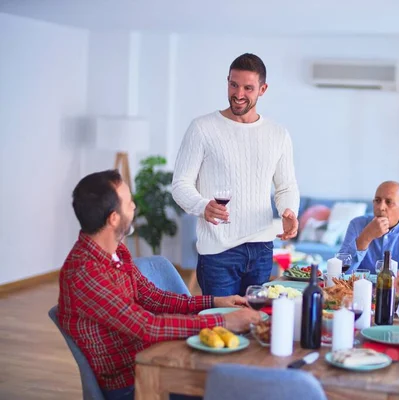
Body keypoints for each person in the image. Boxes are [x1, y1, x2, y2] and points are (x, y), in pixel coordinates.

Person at [58, 170, 260, 400]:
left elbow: (155, 298)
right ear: (113, 218)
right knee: (231, 389)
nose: (134, 206)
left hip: (157, 357)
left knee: (236, 378)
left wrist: (214, 301)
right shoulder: (85, 273)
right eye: (128, 202)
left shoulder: (116, 251)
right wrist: (223, 321)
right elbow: (147, 327)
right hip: (133, 382)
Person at [172, 53, 300, 297]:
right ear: (227, 81)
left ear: (263, 89)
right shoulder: (202, 128)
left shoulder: (278, 134)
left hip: (262, 249)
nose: (238, 94)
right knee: (222, 327)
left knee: (256, 323)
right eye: (233, 84)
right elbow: (180, 184)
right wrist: (202, 206)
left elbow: (286, 186)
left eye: (248, 88)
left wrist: (289, 210)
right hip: (218, 252)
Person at [338, 181, 399, 273]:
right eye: (377, 201)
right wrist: (366, 237)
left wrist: (392, 277)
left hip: (398, 288)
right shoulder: (357, 224)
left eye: (389, 202)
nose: (381, 207)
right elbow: (339, 271)